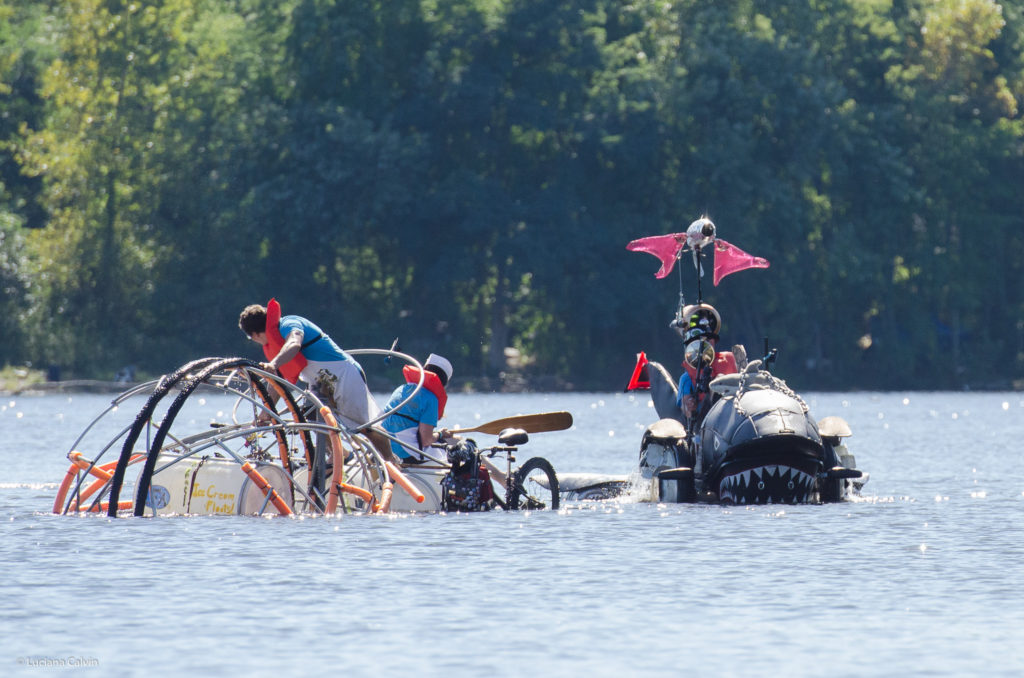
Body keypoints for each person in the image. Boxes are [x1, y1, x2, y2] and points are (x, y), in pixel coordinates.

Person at [238, 299, 391, 457]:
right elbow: (276, 381)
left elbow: (294, 343)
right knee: (312, 419)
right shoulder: (277, 348)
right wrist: (266, 413)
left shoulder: (289, 324)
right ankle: (341, 456)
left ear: (255, 335)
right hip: (320, 383)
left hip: (343, 374)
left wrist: (274, 363)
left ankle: (391, 462)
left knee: (365, 427)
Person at [381, 354, 455, 464]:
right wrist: (440, 434)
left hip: (382, 448)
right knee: (459, 445)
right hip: (404, 454)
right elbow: (426, 440)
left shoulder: (401, 389)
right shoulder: (431, 398)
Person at [673, 304, 738, 426]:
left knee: (720, 379)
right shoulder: (687, 378)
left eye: (708, 340)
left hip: (734, 416)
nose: (705, 345)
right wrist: (689, 406)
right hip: (705, 424)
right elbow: (684, 407)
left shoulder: (730, 360)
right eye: (700, 341)